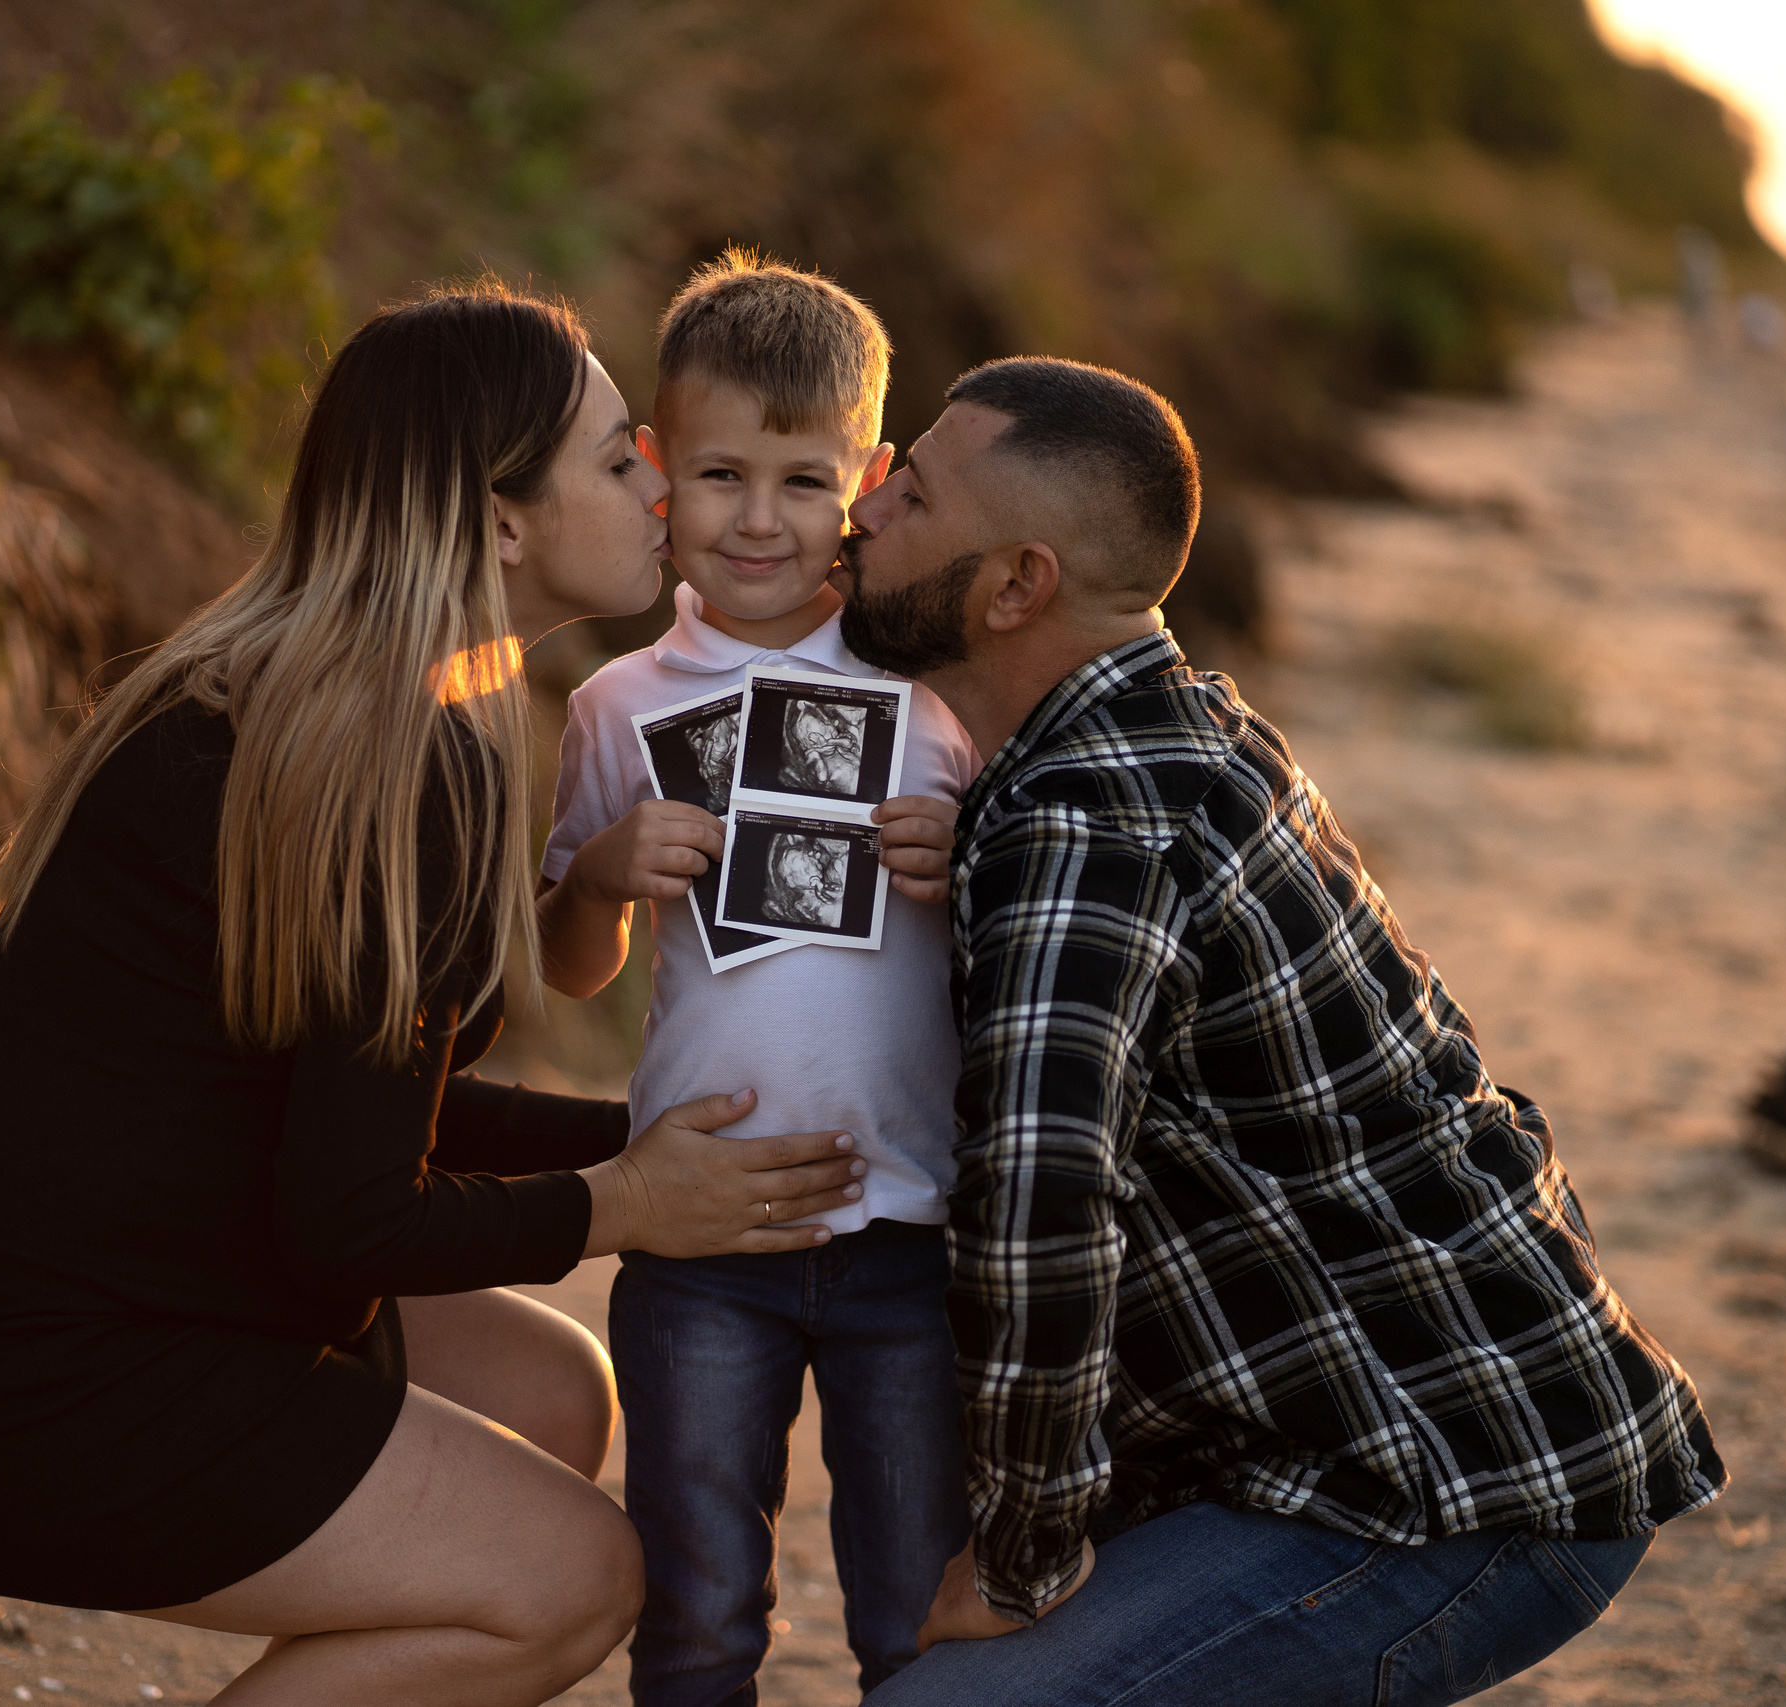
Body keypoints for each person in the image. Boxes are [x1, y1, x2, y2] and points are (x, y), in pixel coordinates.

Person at [0, 284, 873, 1707]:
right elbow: (351, 1217)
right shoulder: (395, 767)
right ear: (503, 523)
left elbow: (350, 1108)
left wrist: (638, 1139)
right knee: (574, 1582)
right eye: (614, 460)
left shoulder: (329, 696)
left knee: (548, 1393)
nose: (659, 484)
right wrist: (628, 1202)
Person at [833, 357, 1727, 1707]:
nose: (865, 505)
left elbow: (1042, 1217)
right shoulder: (1184, 728)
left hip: (1449, 1494)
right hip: (1366, 1436)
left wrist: (1019, 1563)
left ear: (1017, 585)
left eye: (910, 492)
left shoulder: (1084, 825)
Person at [538, 252, 979, 1704]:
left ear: (871, 480)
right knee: (699, 1614)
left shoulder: (938, 697)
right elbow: (570, 966)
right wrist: (598, 879)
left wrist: (968, 866)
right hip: (699, 1234)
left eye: (805, 481)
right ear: (657, 468)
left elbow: (1028, 968)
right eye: (721, 475)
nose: (759, 519)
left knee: (913, 1617)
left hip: (909, 1227)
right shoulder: (615, 705)